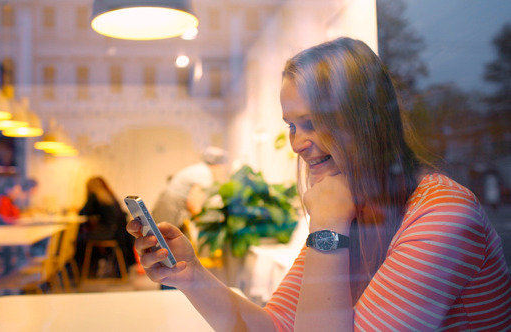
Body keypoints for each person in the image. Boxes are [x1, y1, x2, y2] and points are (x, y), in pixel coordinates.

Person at [127, 37, 511, 331]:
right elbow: (277, 325)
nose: (296, 143)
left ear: (364, 120)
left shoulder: (444, 215)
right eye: (292, 126)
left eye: (312, 123)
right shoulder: (355, 207)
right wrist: (192, 277)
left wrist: (326, 225)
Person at [152, 146, 228, 234]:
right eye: (224, 167)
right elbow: (194, 204)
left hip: (168, 202)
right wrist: (201, 222)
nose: (224, 171)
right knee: (163, 236)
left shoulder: (200, 168)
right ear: (218, 165)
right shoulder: (205, 174)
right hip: (171, 206)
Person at [78, 176, 136, 277]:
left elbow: (82, 213)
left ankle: (84, 272)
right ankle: (97, 266)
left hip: (109, 233)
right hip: (117, 232)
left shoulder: (94, 196)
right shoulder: (108, 195)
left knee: (81, 239)